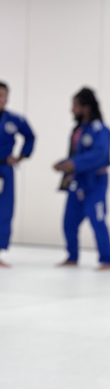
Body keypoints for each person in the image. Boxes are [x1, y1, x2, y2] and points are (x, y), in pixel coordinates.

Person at [53, 88, 110, 270]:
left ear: (86, 108)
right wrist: (64, 163)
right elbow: (76, 154)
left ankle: (106, 260)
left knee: (97, 219)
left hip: (95, 183)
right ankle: (72, 256)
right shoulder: (77, 130)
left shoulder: (101, 130)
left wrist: (73, 163)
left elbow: (99, 154)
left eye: (75, 106)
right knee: (68, 222)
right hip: (76, 182)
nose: (72, 110)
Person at [0, 81, 35, 267]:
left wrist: (21, 156)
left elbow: (30, 137)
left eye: (3, 95)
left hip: (5, 169)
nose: (0, 99)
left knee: (4, 212)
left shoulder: (14, 120)